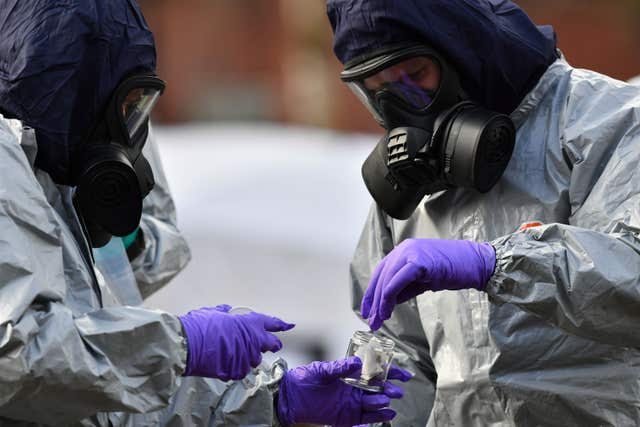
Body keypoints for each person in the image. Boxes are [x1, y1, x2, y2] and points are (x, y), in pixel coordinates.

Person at [0, 1, 411, 425]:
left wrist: (274, 399)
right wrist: (182, 344)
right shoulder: (8, 161)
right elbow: (17, 357)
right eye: (123, 110)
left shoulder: (49, 174)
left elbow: (95, 398)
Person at [327, 0, 640, 425]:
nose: (404, 109)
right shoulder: (412, 185)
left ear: (465, 49)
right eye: (378, 92)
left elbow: (631, 271)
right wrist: (370, 401)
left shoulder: (608, 122)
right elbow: (401, 351)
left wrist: (496, 263)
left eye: (415, 77)